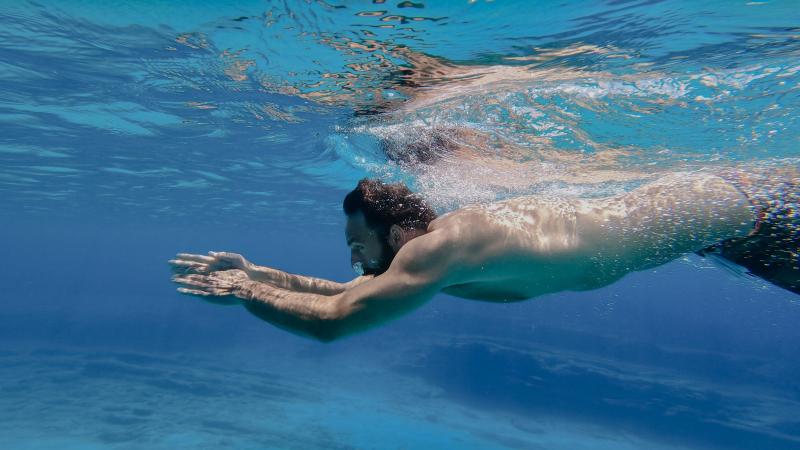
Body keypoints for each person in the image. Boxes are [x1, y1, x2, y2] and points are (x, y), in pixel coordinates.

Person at [170, 168, 799, 342]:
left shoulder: (441, 251)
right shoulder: (433, 264)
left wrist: (243, 293)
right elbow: (351, 294)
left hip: (728, 207)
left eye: (356, 243)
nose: (353, 259)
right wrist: (261, 274)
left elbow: (338, 324)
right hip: (720, 232)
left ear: (393, 234)